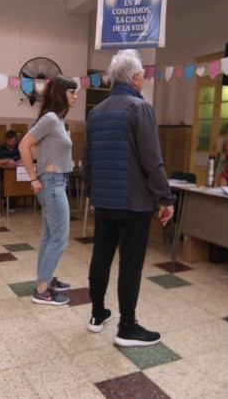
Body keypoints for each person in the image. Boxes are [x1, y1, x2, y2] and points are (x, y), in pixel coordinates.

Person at [82, 49, 175, 347]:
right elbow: (152, 161)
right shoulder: (139, 108)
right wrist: (166, 198)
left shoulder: (95, 113)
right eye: (143, 77)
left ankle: (97, 314)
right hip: (134, 203)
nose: (144, 81)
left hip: (105, 201)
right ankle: (127, 326)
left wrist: (92, 192)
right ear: (135, 78)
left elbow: (87, 162)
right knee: (130, 264)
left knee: (101, 258)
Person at [19, 75, 77, 306]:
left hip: (56, 181)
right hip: (52, 183)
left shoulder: (57, 120)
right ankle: (42, 291)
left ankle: (45, 280)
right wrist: (33, 177)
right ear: (61, 93)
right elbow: (25, 145)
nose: (75, 96)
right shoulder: (51, 118)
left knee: (49, 236)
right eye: (72, 92)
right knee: (59, 238)